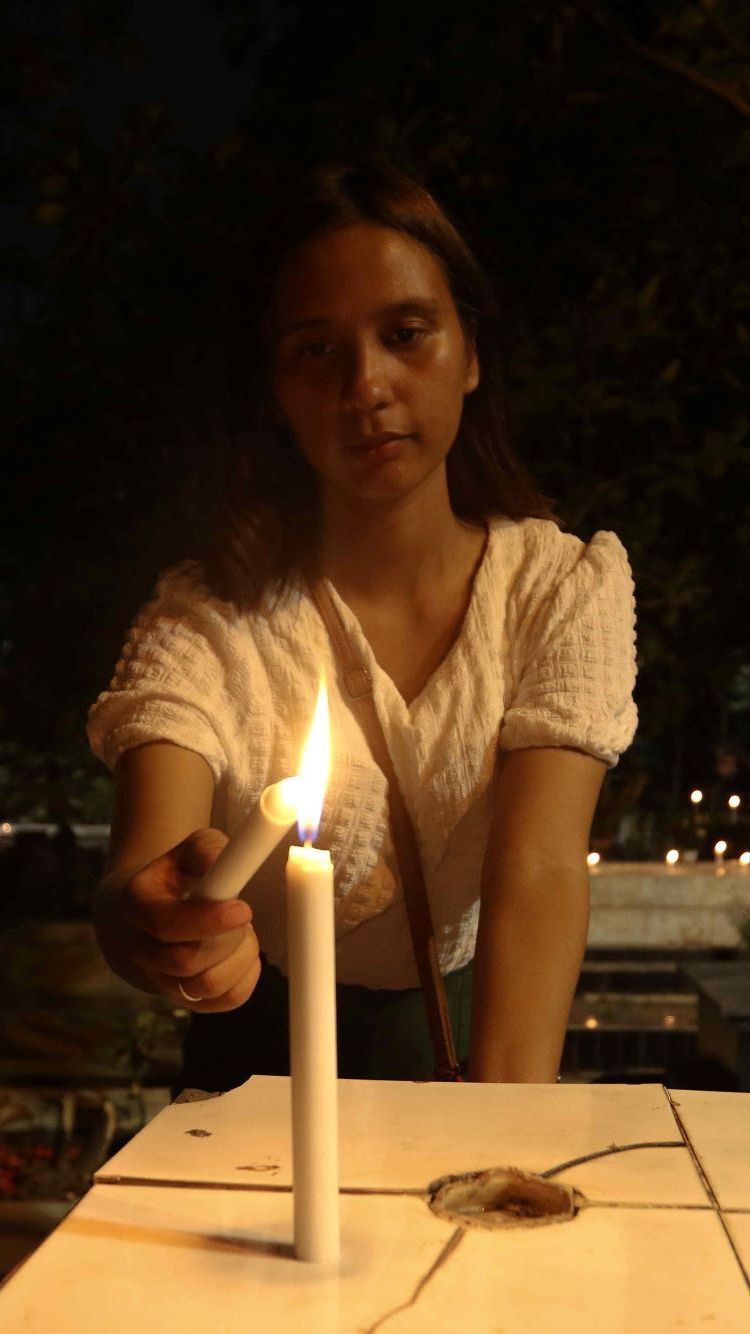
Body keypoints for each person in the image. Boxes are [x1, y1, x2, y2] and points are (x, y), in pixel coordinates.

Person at [88, 160, 637, 1091]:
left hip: (466, 1038)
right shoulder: (213, 615)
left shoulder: (558, 589)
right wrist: (163, 930)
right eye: (316, 350)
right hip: (252, 1070)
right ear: (274, 387)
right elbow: (143, 865)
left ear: (470, 356)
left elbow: (538, 871)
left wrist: (505, 1126)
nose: (367, 384)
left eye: (406, 333)